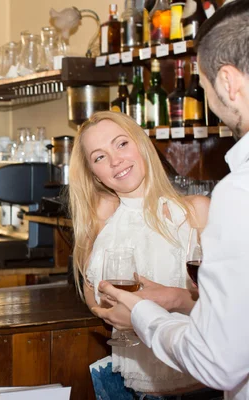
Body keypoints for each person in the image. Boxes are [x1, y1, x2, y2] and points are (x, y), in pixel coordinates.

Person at [92, 2, 249, 398]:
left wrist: (144, 313)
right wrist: (179, 298)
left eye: (204, 81)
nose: (205, 92)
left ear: (228, 82)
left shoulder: (237, 191)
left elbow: (218, 361)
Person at [69, 111, 212, 397]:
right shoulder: (101, 226)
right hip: (131, 390)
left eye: (121, 144)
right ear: (93, 173)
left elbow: (234, 310)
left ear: (141, 144)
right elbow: (98, 303)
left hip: (201, 388)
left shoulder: (196, 212)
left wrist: (176, 299)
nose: (115, 160)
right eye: (99, 157)